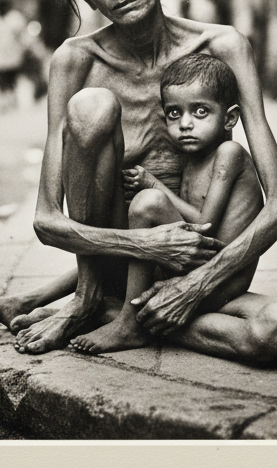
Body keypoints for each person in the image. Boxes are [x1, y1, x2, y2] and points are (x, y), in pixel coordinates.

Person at [0, 0, 277, 366]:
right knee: (92, 107)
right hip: (125, 263)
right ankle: (92, 300)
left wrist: (193, 286)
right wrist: (144, 243)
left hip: (206, 273)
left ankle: (113, 313)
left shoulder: (223, 46)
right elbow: (46, 220)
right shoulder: (74, 62)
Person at [69, 53, 263, 354]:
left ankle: (129, 323)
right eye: (174, 113)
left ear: (229, 118)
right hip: (197, 269)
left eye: (200, 112)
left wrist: (153, 185)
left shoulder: (230, 153)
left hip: (217, 279)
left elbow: (204, 226)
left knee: (149, 203)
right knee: (129, 228)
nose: (185, 124)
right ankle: (67, 302)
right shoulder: (193, 159)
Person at [0, 0, 27, 113]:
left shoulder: (16, 18)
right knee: (0, 76)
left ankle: (12, 96)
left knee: (11, 75)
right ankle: (3, 98)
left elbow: (22, 34)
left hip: (12, 52)